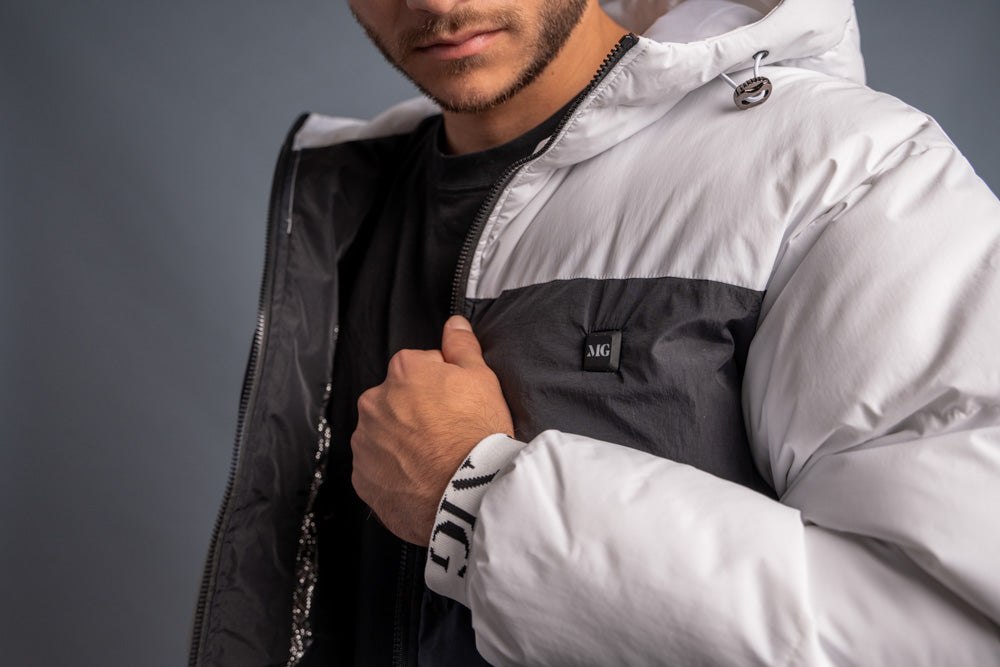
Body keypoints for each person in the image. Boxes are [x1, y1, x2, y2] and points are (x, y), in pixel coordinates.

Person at [189, 0, 1000, 665]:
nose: (436, 3)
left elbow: (947, 629)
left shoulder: (846, 172)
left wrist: (474, 498)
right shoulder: (348, 203)